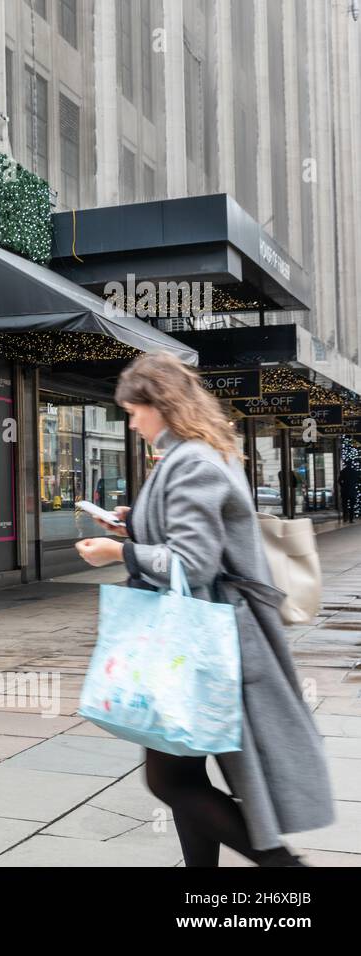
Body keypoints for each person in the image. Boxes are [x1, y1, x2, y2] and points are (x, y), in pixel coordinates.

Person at [76, 352, 334, 867]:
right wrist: (133, 525)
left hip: (205, 645)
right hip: (204, 639)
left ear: (161, 404)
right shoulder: (193, 454)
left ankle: (287, 869)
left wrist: (119, 553)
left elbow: (192, 563)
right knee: (183, 776)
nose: (131, 421)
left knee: (169, 779)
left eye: (133, 410)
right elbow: (188, 537)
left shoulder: (191, 460)